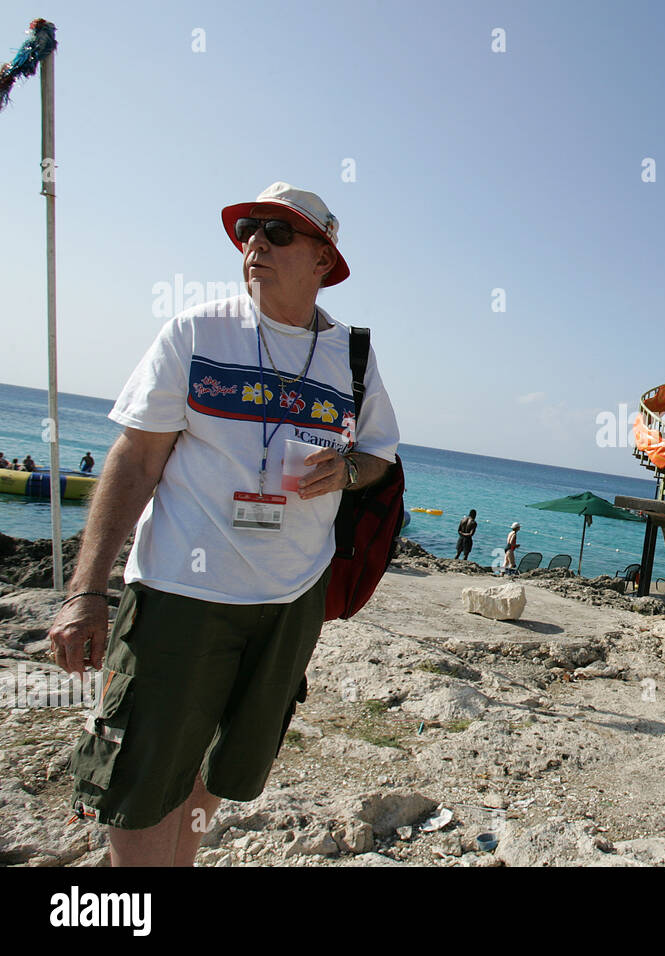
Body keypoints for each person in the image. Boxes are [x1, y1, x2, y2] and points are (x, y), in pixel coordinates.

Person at [46, 181, 400, 867]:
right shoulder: (196, 332)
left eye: (277, 232)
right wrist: (86, 591)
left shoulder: (352, 357)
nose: (255, 245)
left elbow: (379, 456)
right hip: (182, 594)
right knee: (142, 774)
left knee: (219, 762)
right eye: (248, 233)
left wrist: (348, 471)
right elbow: (137, 456)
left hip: (289, 602)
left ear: (324, 258)